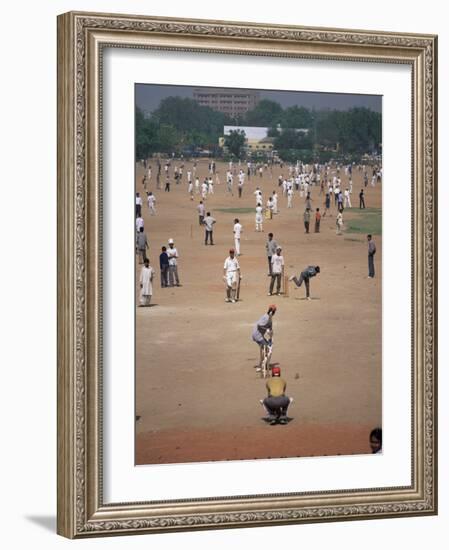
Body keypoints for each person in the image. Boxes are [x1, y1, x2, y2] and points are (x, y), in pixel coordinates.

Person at [252, 305, 276, 371]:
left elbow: (270, 328)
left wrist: (271, 337)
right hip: (257, 335)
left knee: (267, 348)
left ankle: (263, 365)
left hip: (260, 335)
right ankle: (261, 366)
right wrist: (267, 329)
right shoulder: (266, 317)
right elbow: (259, 325)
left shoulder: (270, 318)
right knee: (266, 349)